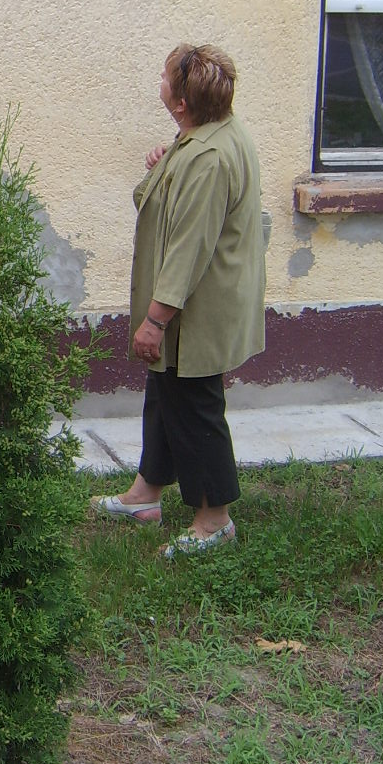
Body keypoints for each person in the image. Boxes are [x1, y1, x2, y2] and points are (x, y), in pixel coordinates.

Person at [92, 44, 265, 558]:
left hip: (197, 308)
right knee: (164, 390)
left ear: (182, 102)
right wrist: (162, 164)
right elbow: (159, 205)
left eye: (166, 77)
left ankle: (214, 520)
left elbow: (189, 248)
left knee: (194, 406)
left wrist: (155, 319)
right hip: (193, 303)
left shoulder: (208, 157)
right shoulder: (206, 134)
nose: (160, 81)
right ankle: (146, 493)